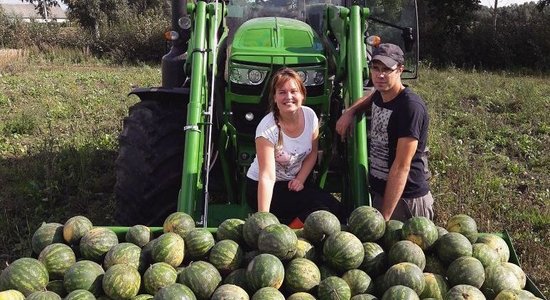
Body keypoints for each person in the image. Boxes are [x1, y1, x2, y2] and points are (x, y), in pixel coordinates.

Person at [336, 43, 433, 222]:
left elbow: (401, 166)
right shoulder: (382, 95)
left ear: (400, 70)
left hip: (405, 200)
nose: (380, 75)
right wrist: (350, 112)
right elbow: (369, 97)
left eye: (387, 69)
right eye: (375, 68)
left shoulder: (409, 107)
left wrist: (385, 217)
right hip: (383, 194)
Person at [246, 67, 345, 225]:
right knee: (318, 211)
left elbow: (312, 154)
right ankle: (288, 238)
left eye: (294, 91)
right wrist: (263, 220)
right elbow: (267, 177)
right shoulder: (266, 129)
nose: (289, 97)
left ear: (302, 95)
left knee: (336, 209)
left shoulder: (310, 116)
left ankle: (292, 233)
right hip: (263, 188)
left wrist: (300, 179)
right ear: (275, 98)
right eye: (282, 92)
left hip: (293, 184)